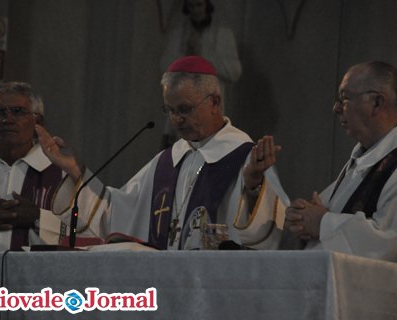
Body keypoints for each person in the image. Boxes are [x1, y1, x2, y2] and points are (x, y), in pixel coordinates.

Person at [36, 56, 286, 250]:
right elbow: (117, 212)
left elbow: (264, 232)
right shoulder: (168, 161)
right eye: (169, 110)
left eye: (185, 109)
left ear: (215, 103)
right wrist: (76, 171)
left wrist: (252, 185)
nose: (176, 119)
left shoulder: (243, 156)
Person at [283, 61, 397, 261]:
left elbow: (389, 242)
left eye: (345, 98)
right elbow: (324, 214)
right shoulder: (363, 158)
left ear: (377, 103)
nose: (336, 108)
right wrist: (302, 215)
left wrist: (321, 223)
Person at [0, 81, 65, 252]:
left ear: (38, 121)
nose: (8, 120)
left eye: (17, 112)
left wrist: (38, 218)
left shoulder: (61, 174)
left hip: (38, 277)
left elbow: (84, 232)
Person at [160, 0, 242, 148]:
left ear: (207, 5)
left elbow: (234, 72)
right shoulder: (178, 35)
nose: (195, 10)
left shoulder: (223, 34)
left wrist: (203, 53)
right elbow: (164, 67)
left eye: (199, 5)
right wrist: (185, 54)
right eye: (191, 6)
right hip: (180, 113)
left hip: (207, 111)